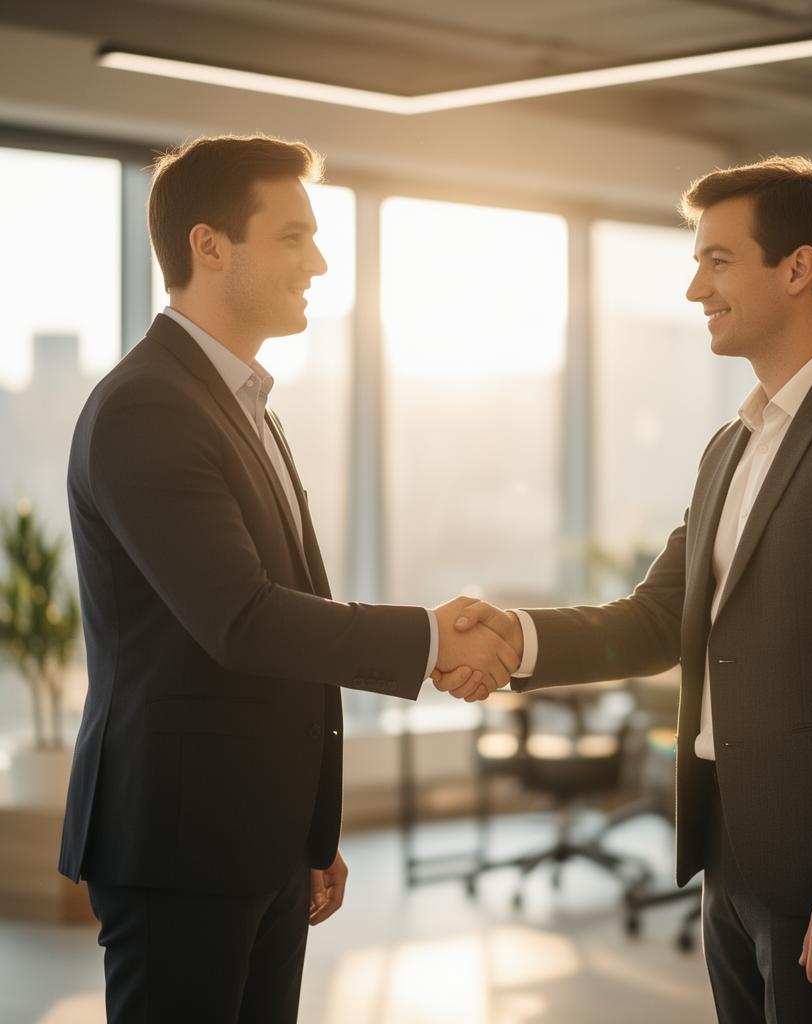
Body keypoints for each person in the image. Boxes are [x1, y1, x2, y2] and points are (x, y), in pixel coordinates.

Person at [435, 156, 812, 1023]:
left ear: (798, 269)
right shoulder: (731, 443)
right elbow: (655, 618)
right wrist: (516, 637)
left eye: (717, 260)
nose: (694, 290)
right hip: (730, 852)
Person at [59, 133, 514, 1024]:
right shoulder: (149, 405)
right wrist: (428, 638)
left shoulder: (238, 401)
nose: (321, 260)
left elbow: (281, 622)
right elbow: (243, 620)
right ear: (209, 245)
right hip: (181, 844)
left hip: (256, 838)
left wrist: (308, 830)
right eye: (294, 236)